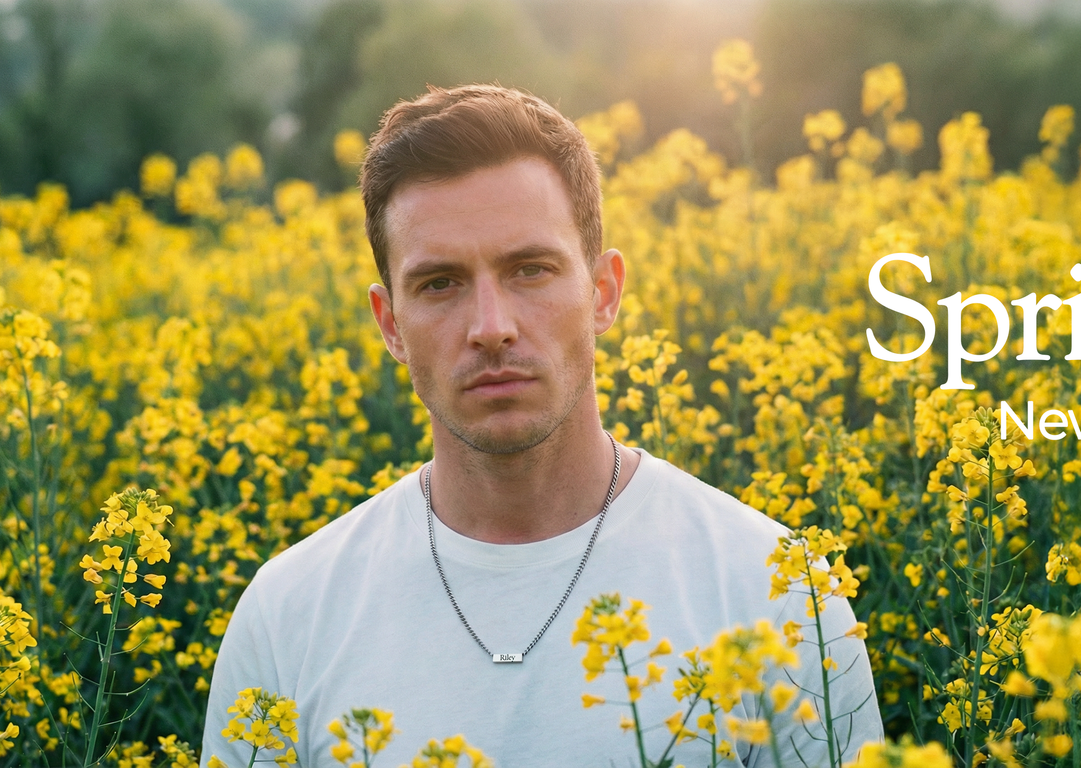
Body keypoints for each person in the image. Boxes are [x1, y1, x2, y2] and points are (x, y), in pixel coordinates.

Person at [201, 84, 882, 767]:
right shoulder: (286, 617)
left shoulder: (783, 592)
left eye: (531, 269)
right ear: (390, 325)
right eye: (440, 283)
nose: (491, 327)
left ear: (604, 294)